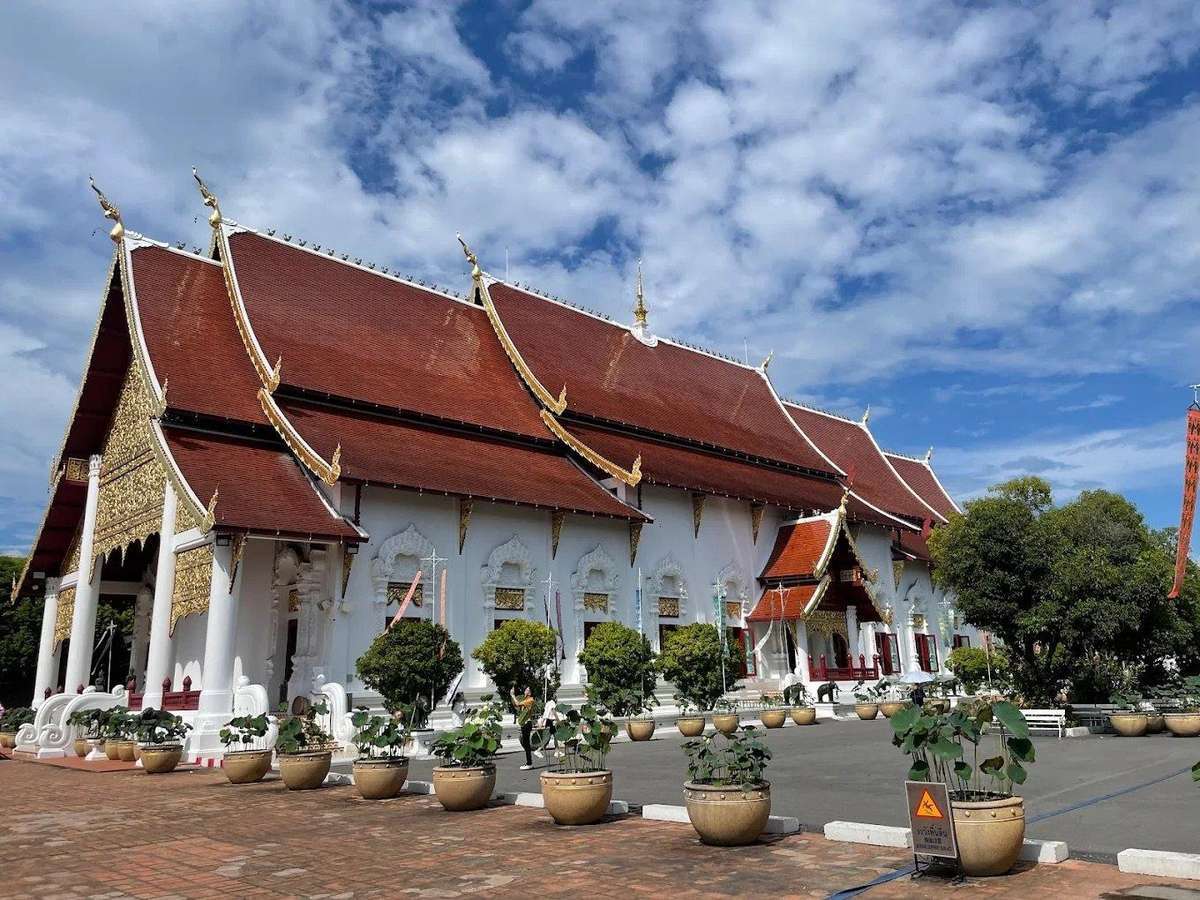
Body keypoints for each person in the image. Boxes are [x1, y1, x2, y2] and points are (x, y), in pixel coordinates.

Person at [510, 687, 537, 770]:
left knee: (526, 744)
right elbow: (517, 705)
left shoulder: (530, 700)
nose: (525, 691)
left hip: (527, 724)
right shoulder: (525, 700)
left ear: (530, 693)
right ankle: (529, 762)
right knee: (525, 744)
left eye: (528, 690)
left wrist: (513, 695)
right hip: (524, 724)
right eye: (525, 689)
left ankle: (529, 763)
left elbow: (518, 704)